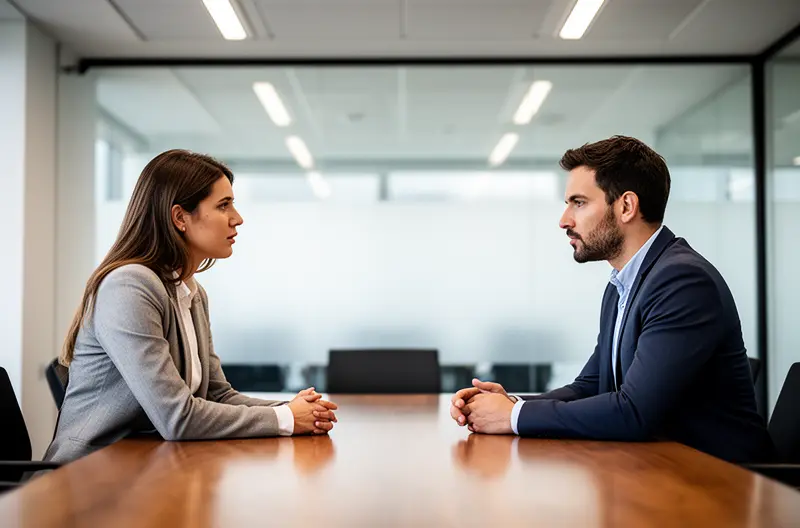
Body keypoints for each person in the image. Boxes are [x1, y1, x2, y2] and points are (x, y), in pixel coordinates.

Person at [450, 136, 773, 463]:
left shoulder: (682, 282)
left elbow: (634, 411)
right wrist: (512, 403)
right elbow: (592, 385)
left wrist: (513, 417)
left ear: (626, 206)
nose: (564, 220)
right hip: (660, 467)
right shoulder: (623, 283)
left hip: (722, 482)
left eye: (578, 202)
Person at [45, 150, 338, 464]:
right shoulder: (129, 287)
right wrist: (287, 420)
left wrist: (291, 410)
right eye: (224, 205)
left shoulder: (190, 292)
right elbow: (177, 417)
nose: (237, 218)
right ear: (179, 218)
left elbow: (216, 395)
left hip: (147, 463)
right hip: (87, 476)